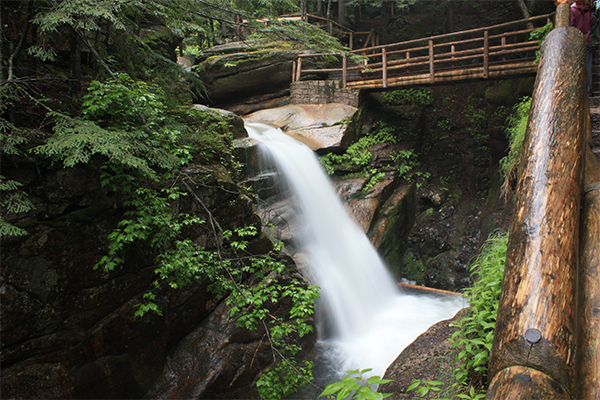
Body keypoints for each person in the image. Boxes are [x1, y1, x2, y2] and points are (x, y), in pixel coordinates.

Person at [571, 0, 596, 97]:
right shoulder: (589, 11)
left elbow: (572, 26)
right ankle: (589, 90)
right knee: (588, 66)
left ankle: (579, 92)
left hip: (577, 42)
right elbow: (591, 24)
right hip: (588, 41)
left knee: (577, 66)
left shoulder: (573, 11)